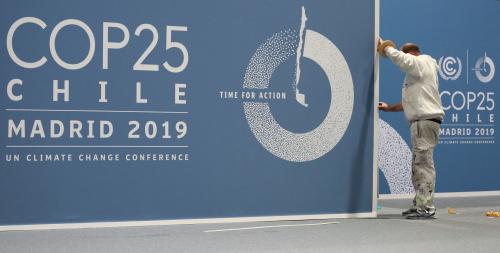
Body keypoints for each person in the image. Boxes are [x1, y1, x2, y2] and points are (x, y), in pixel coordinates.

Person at [377, 39, 445, 219]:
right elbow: (410, 103)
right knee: (418, 166)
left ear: (412, 54)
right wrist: (389, 107)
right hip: (421, 122)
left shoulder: (423, 62)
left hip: (425, 122)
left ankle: (426, 208)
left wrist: (386, 47)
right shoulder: (418, 75)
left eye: (406, 56)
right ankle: (420, 204)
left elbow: (403, 60)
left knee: (423, 166)